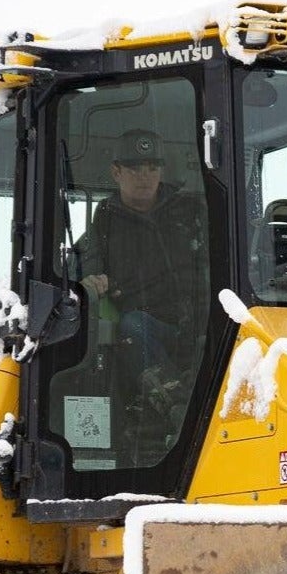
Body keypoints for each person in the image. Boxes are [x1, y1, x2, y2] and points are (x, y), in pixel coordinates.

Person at [77, 127, 207, 395]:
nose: (144, 176)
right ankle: (172, 402)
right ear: (116, 172)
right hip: (151, 326)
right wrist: (91, 278)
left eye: (152, 167)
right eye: (135, 168)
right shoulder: (105, 220)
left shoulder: (189, 212)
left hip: (202, 322)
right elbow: (85, 263)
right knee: (133, 326)